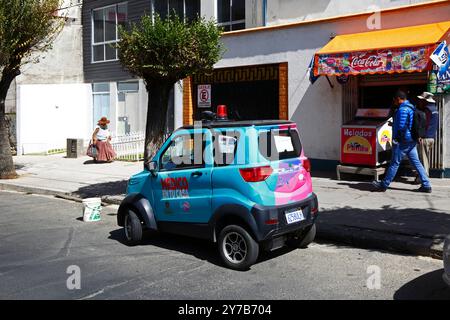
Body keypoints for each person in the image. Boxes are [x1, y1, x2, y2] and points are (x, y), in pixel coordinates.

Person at [372, 90, 432, 193]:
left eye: (395, 100)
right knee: (417, 163)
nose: (394, 102)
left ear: (399, 99)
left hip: (403, 141)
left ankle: (383, 185)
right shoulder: (411, 107)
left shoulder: (403, 109)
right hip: (411, 140)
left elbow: (402, 127)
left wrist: (397, 140)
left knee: (394, 163)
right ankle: (426, 185)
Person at [416, 92, 439, 179]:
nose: (419, 102)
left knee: (423, 159)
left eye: (421, 100)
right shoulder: (435, 109)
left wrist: (420, 136)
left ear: (425, 101)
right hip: (432, 138)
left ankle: (423, 179)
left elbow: (424, 124)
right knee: (425, 158)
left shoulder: (427, 110)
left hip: (425, 138)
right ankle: (420, 177)